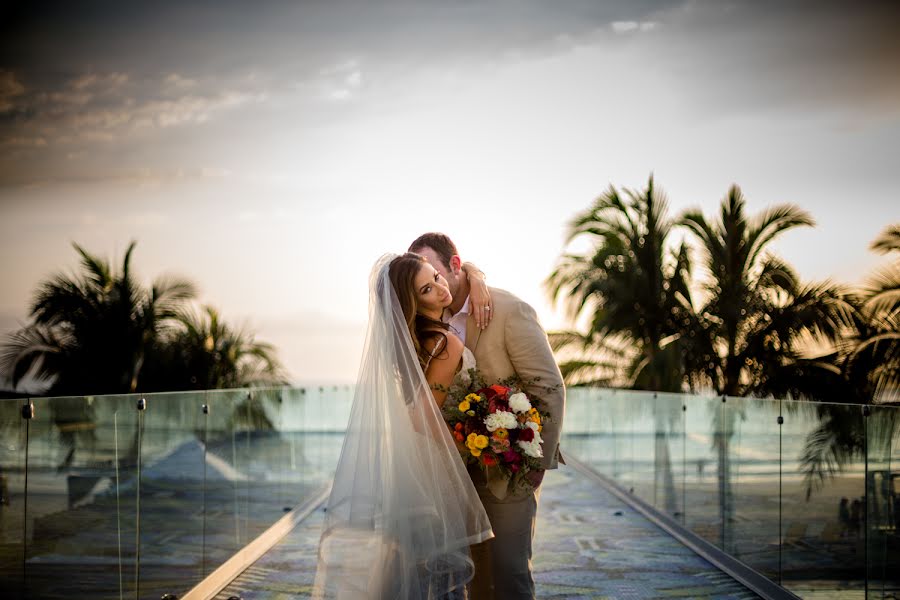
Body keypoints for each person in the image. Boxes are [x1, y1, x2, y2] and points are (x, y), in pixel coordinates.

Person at [313, 253, 494, 600]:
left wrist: (475, 276)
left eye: (437, 279)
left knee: (415, 566)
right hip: (434, 468)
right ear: (413, 301)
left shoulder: (415, 341)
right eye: (427, 289)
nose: (441, 290)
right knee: (438, 575)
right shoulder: (445, 342)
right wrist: (469, 445)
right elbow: (422, 416)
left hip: (409, 464)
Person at [408, 232, 566, 600]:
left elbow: (548, 386)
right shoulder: (430, 316)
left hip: (510, 469)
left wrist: (537, 461)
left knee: (510, 573)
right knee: (475, 578)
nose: (433, 283)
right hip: (455, 474)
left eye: (435, 272)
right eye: (424, 281)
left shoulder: (509, 310)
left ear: (455, 265)